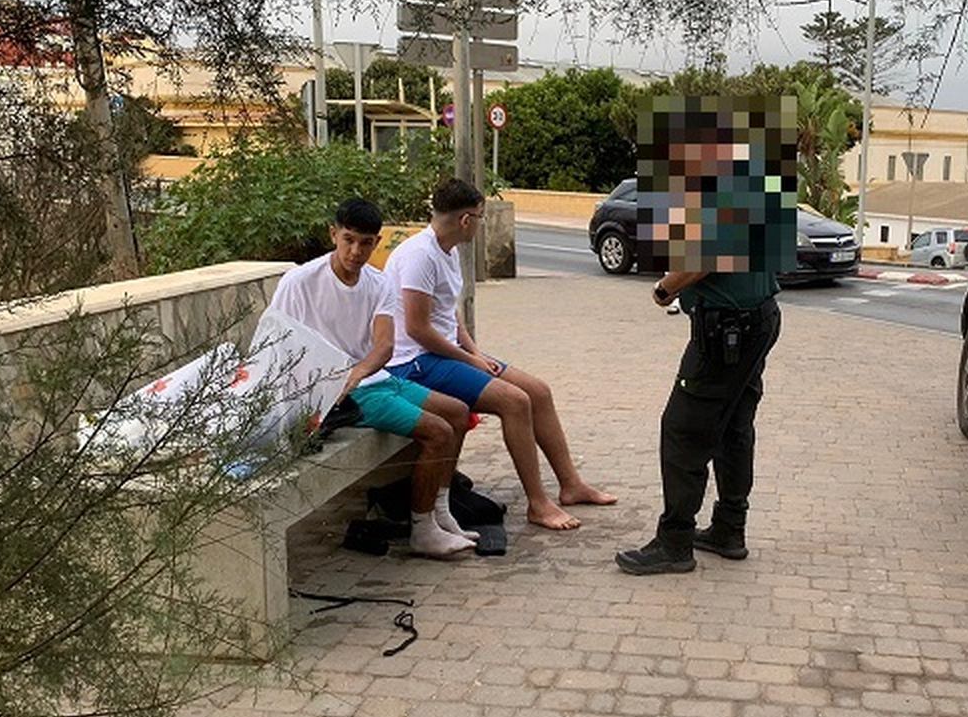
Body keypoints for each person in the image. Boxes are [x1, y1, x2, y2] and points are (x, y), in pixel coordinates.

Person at [385, 178, 615, 531]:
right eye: (479, 217)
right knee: (515, 401)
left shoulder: (446, 251)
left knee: (537, 391)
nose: (480, 224)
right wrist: (470, 361)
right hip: (413, 363)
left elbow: (448, 313)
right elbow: (417, 329)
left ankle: (571, 485)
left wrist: (474, 350)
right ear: (465, 220)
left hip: (444, 354)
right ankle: (538, 503)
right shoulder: (419, 255)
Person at [267, 198, 477, 558]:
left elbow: (383, 347)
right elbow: (275, 343)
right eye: (348, 239)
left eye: (366, 243)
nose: (355, 251)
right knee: (438, 431)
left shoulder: (378, 283)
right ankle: (422, 529)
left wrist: (358, 373)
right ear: (333, 234)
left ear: (377, 243)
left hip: (372, 380)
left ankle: (441, 511)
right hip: (338, 394)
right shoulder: (299, 282)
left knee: (458, 413)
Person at [615, 136, 783, 576]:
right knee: (733, 425)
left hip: (729, 330)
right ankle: (729, 528)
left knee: (683, 429)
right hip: (757, 318)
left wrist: (665, 288)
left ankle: (675, 543)